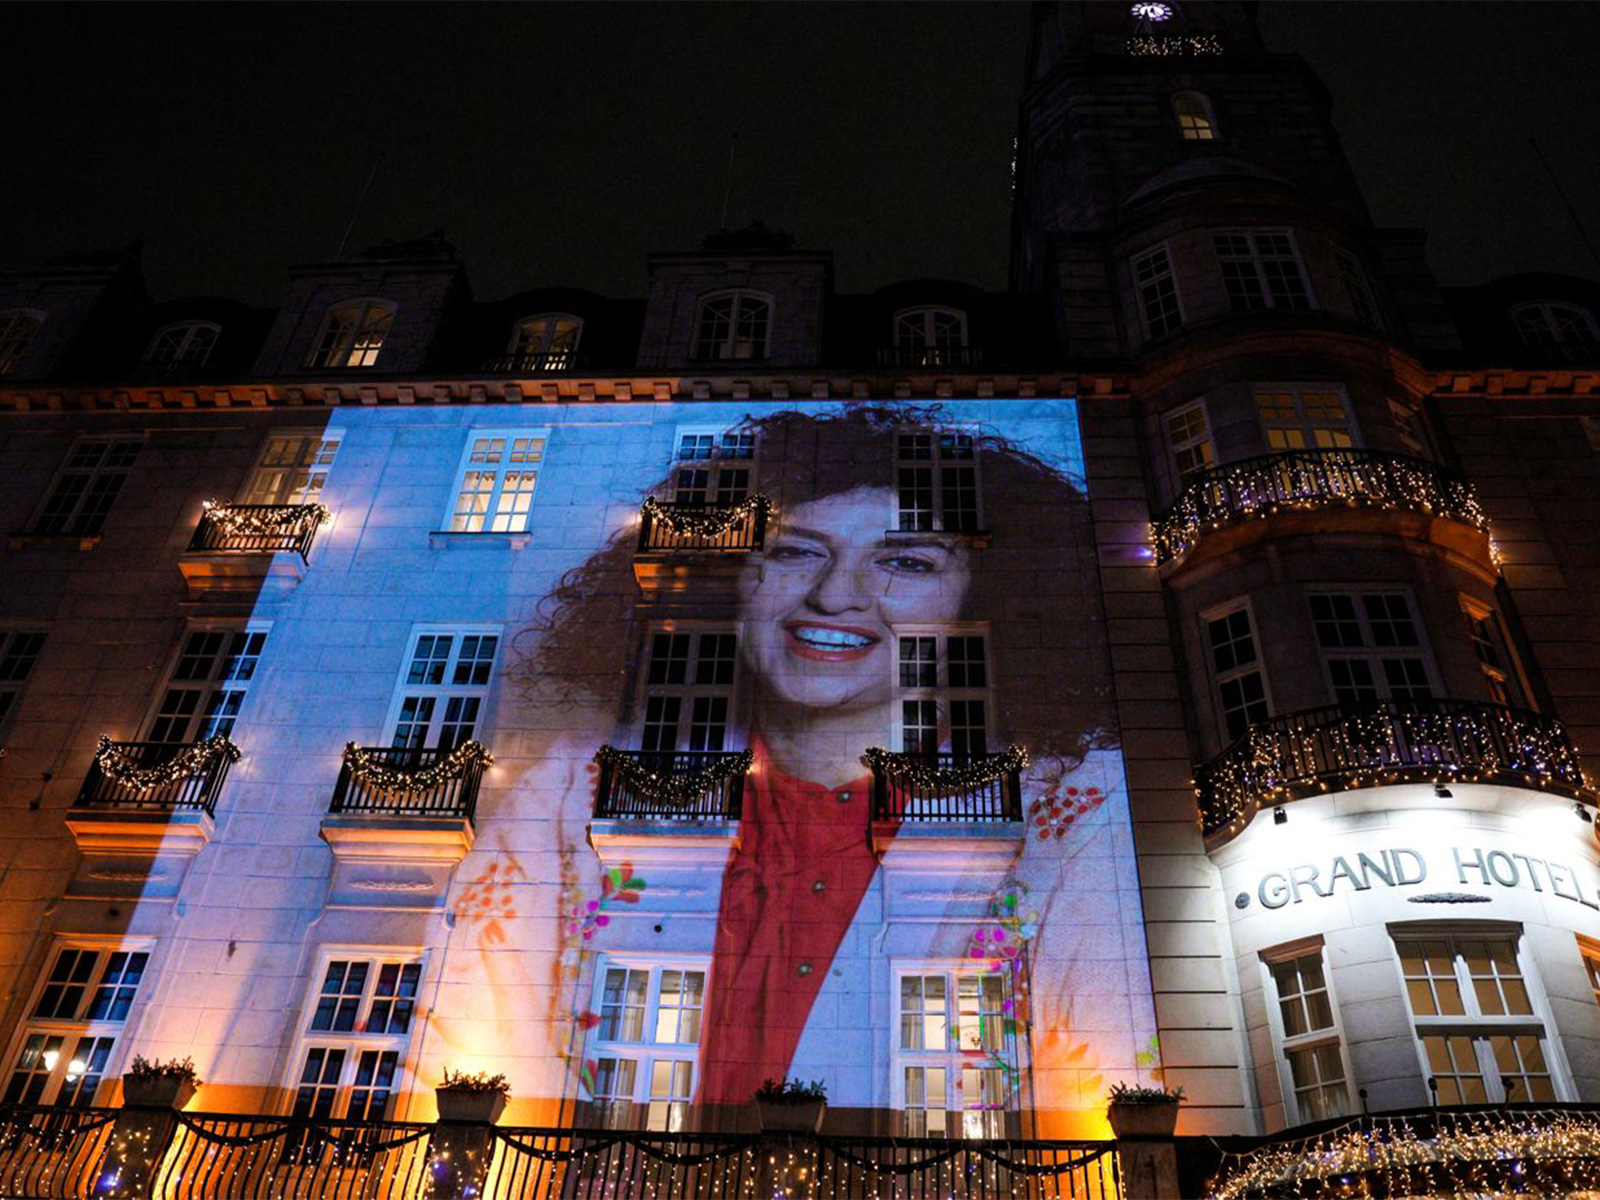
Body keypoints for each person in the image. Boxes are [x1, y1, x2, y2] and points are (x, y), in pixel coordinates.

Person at [517, 404, 1121, 1121]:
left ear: (979, 598)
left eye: (905, 562)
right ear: (739, 577)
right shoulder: (564, 792)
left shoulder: (1074, 815)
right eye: (796, 552)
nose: (834, 596)